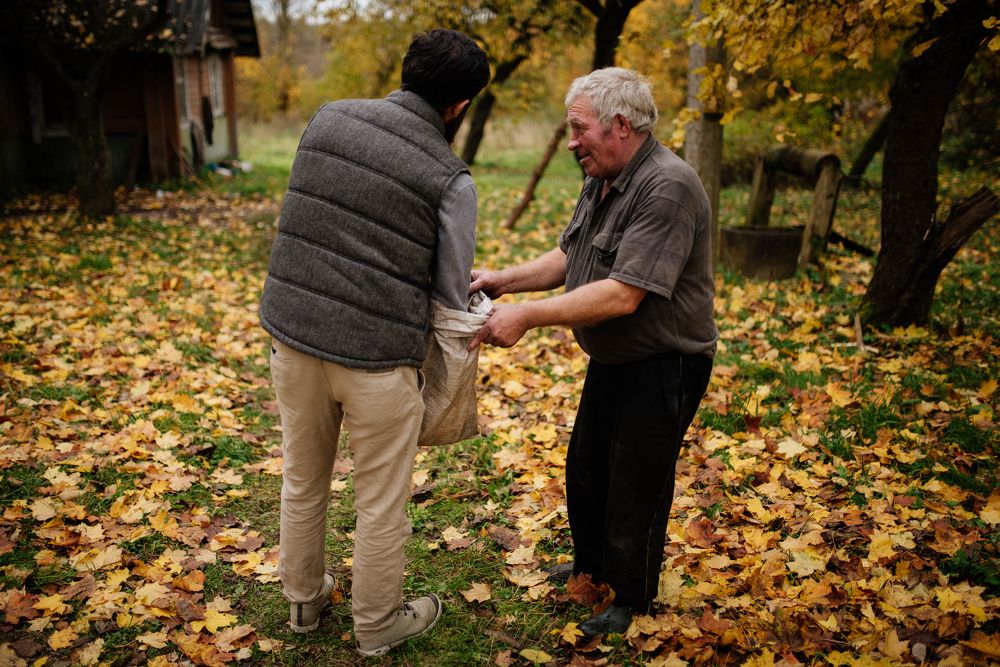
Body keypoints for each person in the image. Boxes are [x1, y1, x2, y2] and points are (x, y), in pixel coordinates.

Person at [259, 29, 490, 656]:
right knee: (381, 502)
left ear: (406, 70)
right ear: (461, 106)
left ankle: (304, 600)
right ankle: (377, 625)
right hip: (379, 360)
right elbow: (448, 294)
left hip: (295, 336)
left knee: (303, 480)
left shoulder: (326, 121)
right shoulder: (451, 178)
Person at [469, 67, 717, 637]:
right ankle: (593, 569)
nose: (572, 141)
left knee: (637, 482)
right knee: (588, 469)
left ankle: (632, 599)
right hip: (614, 358)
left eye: (579, 129)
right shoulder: (604, 173)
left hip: (664, 362)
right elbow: (571, 256)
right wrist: (502, 282)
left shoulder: (667, 186)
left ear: (621, 125)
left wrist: (528, 318)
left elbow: (624, 294)